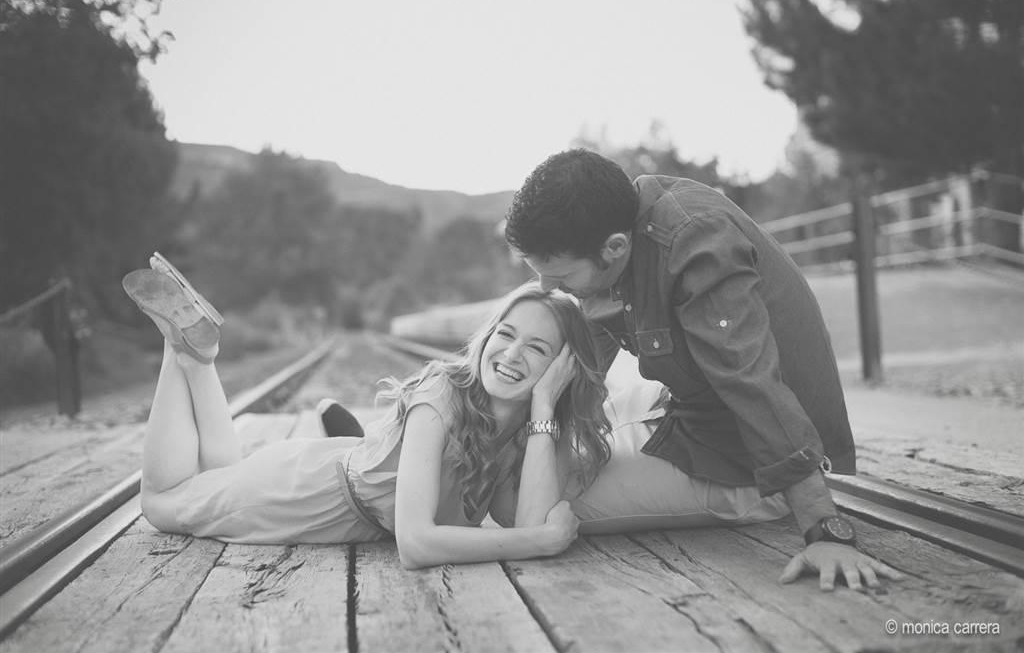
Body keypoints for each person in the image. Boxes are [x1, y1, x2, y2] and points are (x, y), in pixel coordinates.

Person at [504, 149, 902, 591]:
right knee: (523, 465)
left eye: (560, 277)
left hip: (742, 466)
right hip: (685, 416)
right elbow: (583, 359)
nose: (546, 287)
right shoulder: (616, 226)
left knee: (525, 504)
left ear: (614, 247)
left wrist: (824, 529)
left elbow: (748, 380)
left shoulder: (694, 241)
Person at [121, 258, 612, 569]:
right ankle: (175, 343)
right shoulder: (442, 391)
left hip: (329, 470)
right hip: (303, 497)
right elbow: (417, 545)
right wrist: (541, 543)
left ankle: (198, 357)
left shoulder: (523, 432)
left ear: (562, 369)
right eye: (506, 334)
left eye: (538, 348)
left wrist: (545, 406)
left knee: (220, 473)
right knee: (161, 503)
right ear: (488, 336)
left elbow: (522, 522)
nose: (511, 354)